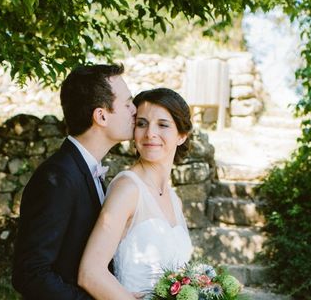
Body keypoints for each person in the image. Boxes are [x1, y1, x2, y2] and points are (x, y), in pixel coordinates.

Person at [12, 64, 136, 300]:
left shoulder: (88, 171)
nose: (134, 110)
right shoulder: (56, 178)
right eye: (127, 103)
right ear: (101, 116)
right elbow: (30, 273)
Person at [78, 87, 193, 299]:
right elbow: (90, 273)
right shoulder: (128, 189)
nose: (150, 133)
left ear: (182, 136)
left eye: (163, 125)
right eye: (141, 124)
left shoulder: (174, 198)